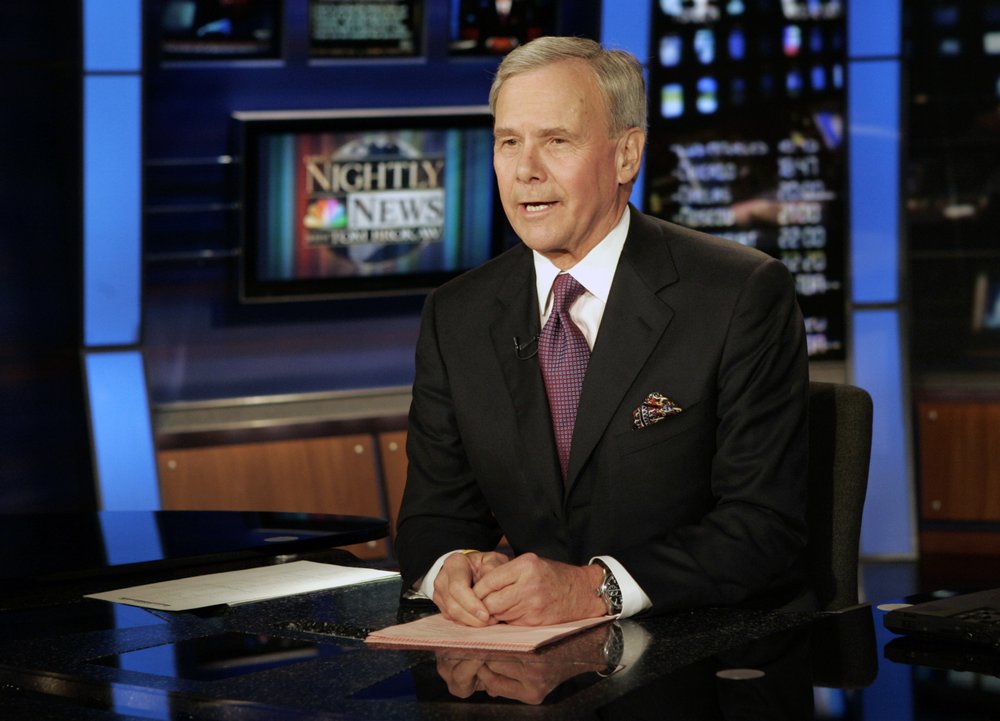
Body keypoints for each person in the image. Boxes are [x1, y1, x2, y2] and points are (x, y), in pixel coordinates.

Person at [394, 36, 810, 627]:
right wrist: (448, 567)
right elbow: (434, 513)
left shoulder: (739, 295)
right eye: (509, 142)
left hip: (706, 650)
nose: (525, 170)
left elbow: (763, 526)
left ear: (626, 156)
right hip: (523, 660)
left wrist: (597, 588)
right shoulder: (456, 312)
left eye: (556, 141)